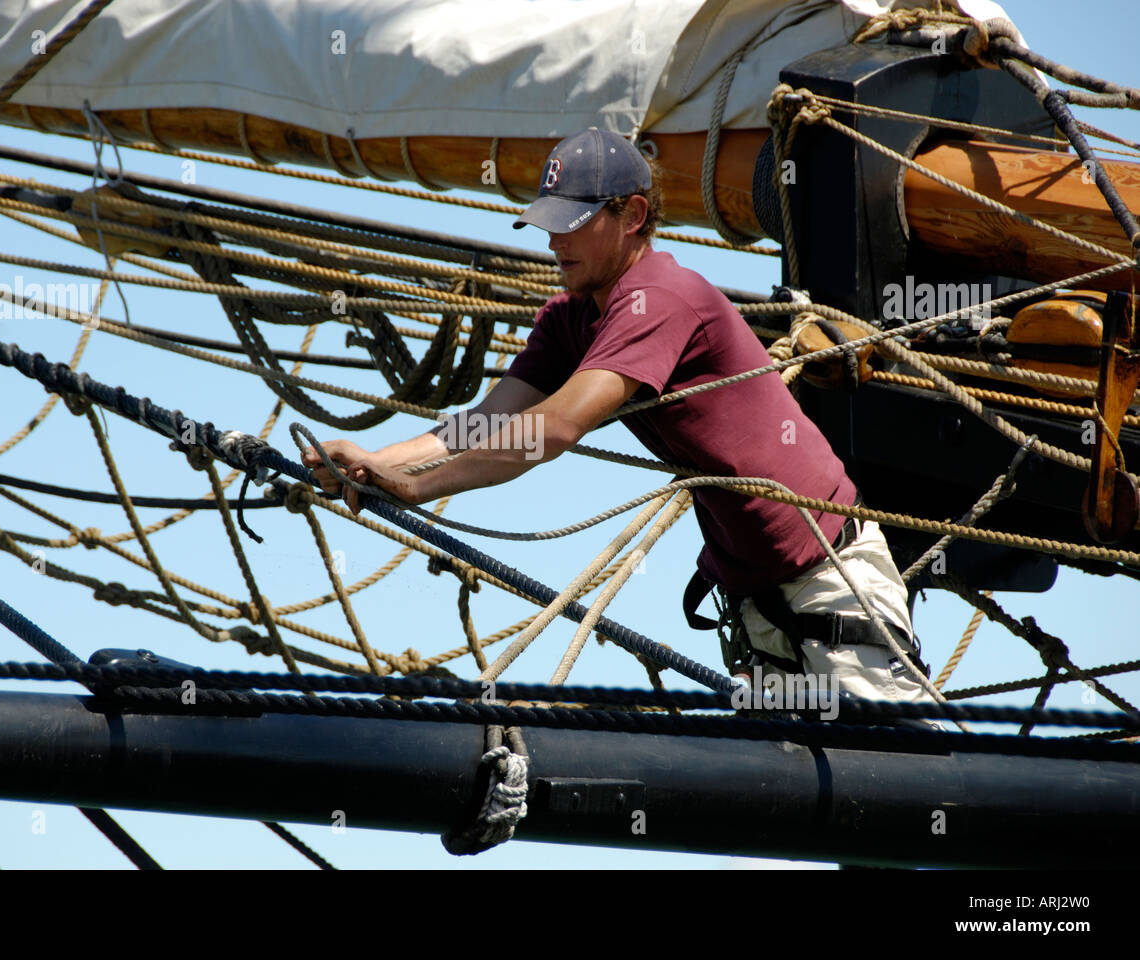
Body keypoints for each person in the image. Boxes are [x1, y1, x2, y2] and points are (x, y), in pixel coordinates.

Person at [303, 127, 931, 707]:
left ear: (632, 216)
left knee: (892, 786)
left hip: (833, 584)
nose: (554, 241)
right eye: (547, 224)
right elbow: (487, 422)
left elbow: (554, 428)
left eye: (571, 224)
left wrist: (416, 489)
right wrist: (376, 462)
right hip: (757, 604)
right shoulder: (572, 317)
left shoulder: (660, 298)